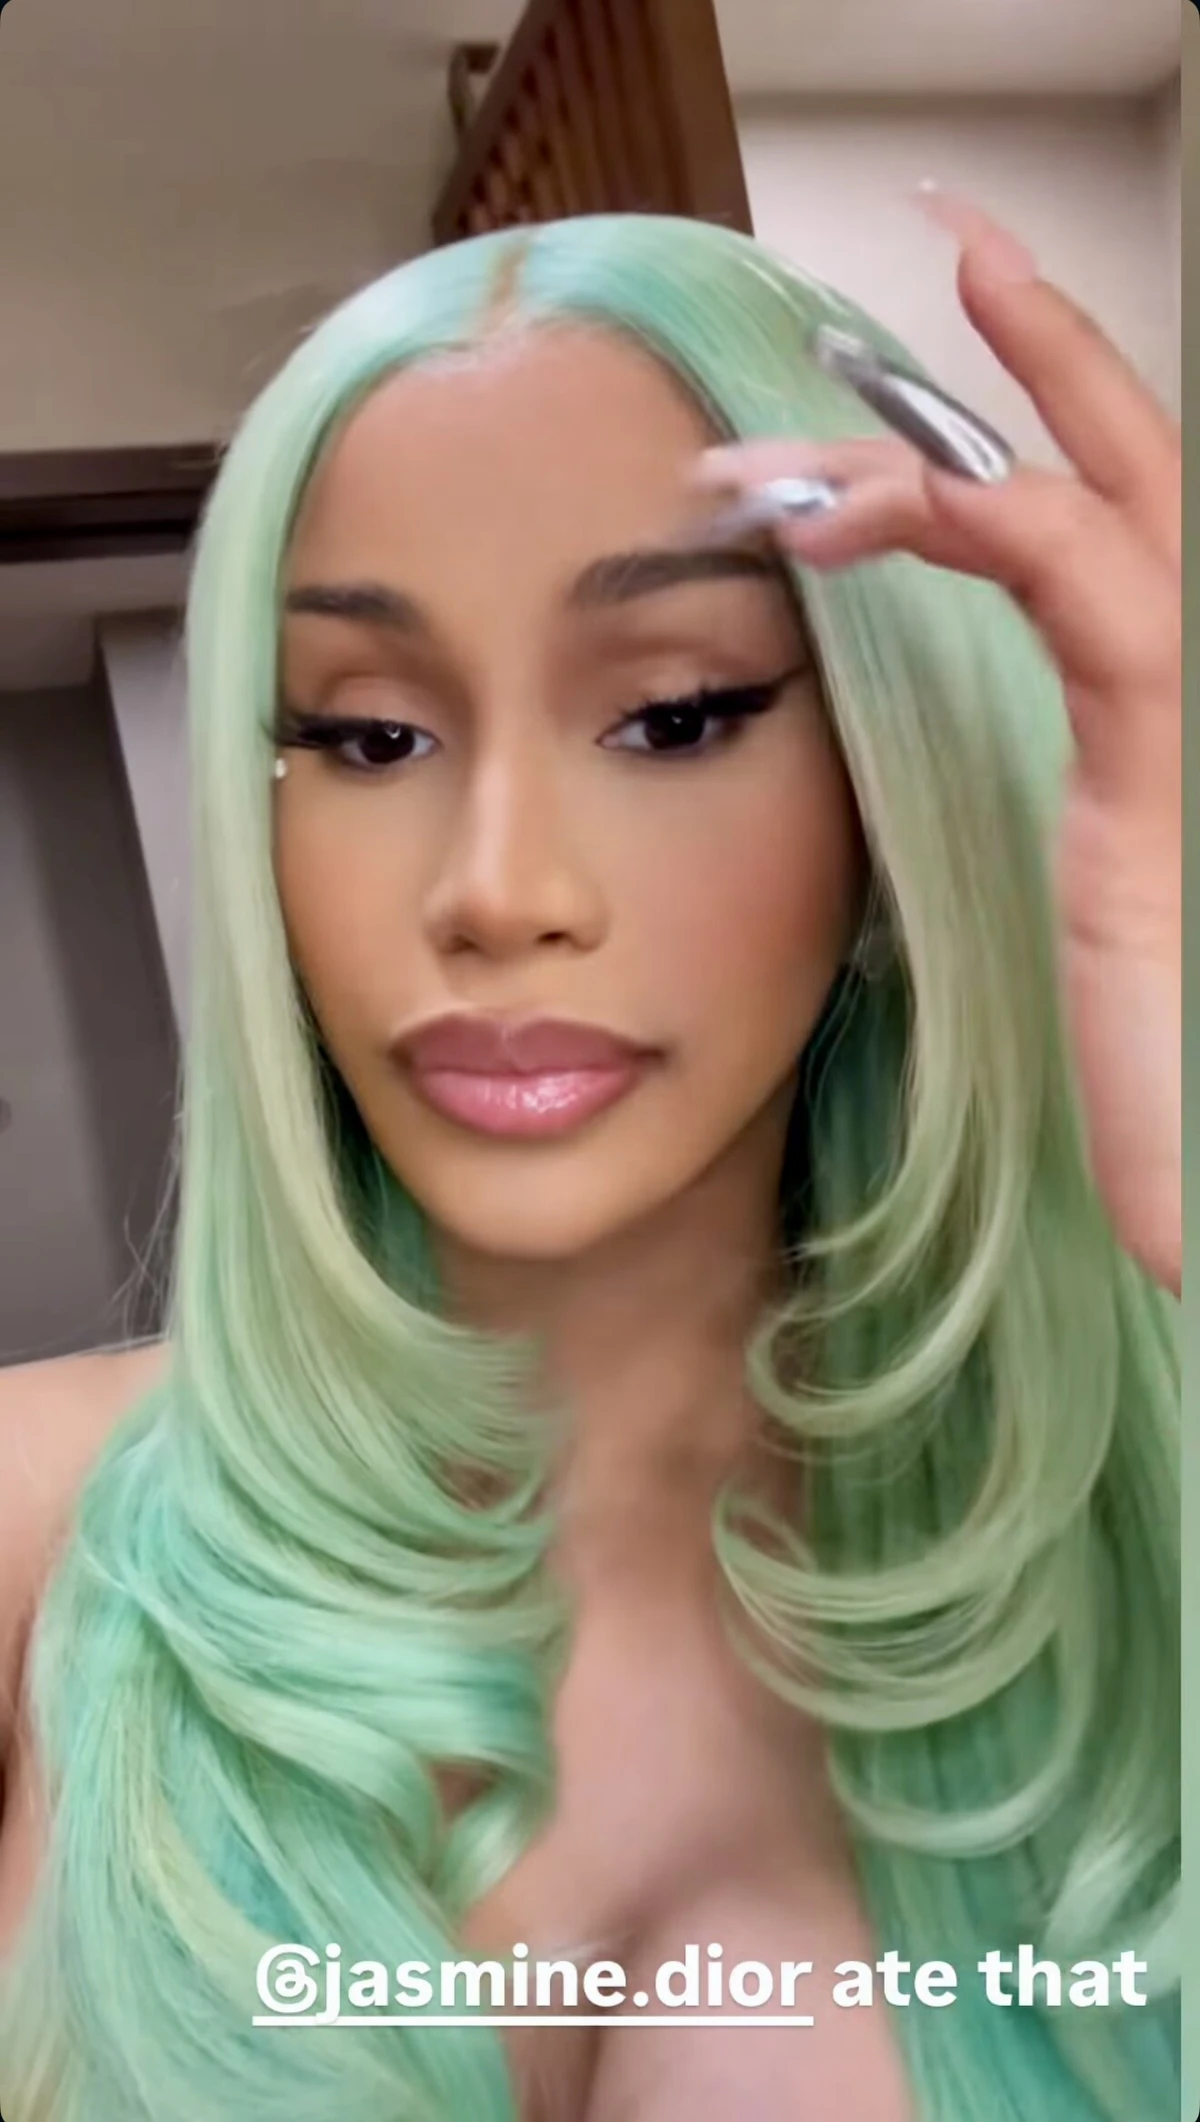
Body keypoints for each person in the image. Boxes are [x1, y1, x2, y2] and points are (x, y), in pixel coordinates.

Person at [0, 193, 1180, 2122]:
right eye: (369, 739)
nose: (496, 890)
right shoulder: (35, 1537)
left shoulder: (1156, 1571)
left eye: (672, 715)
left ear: (895, 782)